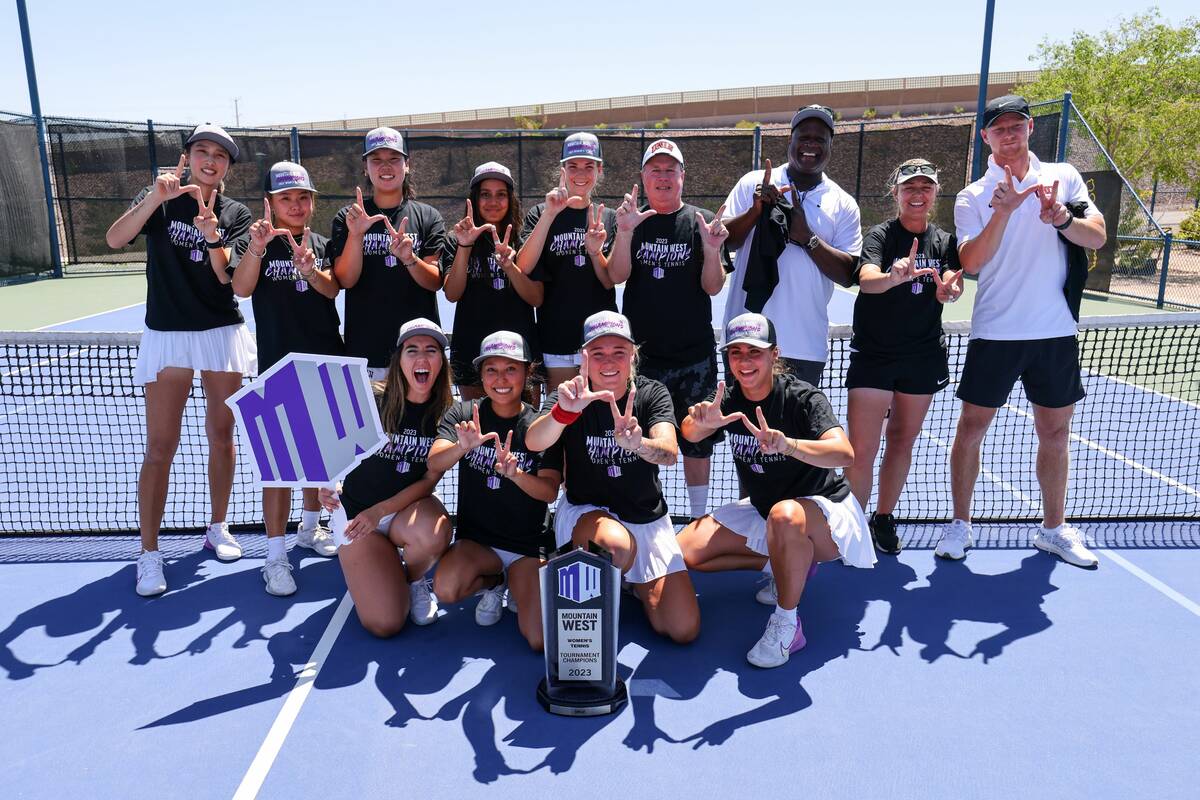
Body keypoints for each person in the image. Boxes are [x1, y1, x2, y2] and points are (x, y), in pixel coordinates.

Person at [941, 95, 1106, 567]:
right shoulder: (973, 195)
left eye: (1017, 126)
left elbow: (1095, 236)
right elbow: (971, 262)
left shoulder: (1064, 177)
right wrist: (1006, 210)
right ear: (985, 137)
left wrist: (1060, 217)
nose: (1009, 134)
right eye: (1000, 128)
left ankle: (1053, 530)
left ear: (1031, 129)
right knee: (971, 428)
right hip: (995, 331)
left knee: (1055, 434)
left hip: (1054, 332)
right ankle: (960, 525)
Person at [105, 124, 254, 597]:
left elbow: (229, 277)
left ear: (228, 166)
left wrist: (212, 236)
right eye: (202, 151)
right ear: (187, 156)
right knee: (161, 445)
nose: (210, 161)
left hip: (220, 333)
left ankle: (217, 526)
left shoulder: (236, 212)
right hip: (168, 335)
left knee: (222, 434)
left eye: (220, 155)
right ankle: (148, 554)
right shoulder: (160, 199)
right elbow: (115, 239)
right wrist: (153, 199)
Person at [677, 313, 875, 668]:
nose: (744, 361)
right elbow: (690, 432)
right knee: (686, 553)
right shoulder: (729, 397)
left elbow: (844, 454)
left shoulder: (802, 398)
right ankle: (785, 564)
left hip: (824, 515)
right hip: (764, 510)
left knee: (785, 514)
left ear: (774, 354)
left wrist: (789, 446)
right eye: (736, 353)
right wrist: (699, 424)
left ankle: (787, 623)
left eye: (754, 352)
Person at [526, 311, 699, 643]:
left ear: (632, 355)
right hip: (587, 514)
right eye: (598, 353)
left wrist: (639, 444)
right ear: (583, 358)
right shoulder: (569, 396)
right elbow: (535, 441)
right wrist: (564, 413)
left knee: (682, 629)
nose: (609, 361)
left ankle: (626, 581)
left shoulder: (652, 393)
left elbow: (670, 451)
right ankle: (592, 577)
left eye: (619, 352)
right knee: (615, 544)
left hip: (645, 517)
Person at [231, 162, 343, 595]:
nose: (295, 205)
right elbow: (241, 289)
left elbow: (334, 289)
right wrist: (258, 248)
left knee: (321, 459)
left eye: (302, 198)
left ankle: (310, 529)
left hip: (325, 363)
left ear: (312, 201)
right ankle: (274, 557)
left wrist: (312, 269)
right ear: (271, 203)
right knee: (278, 470)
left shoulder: (321, 242)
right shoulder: (254, 241)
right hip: (276, 369)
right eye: (285, 199)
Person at [844, 159, 963, 555]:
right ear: (895, 194)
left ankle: (883, 517)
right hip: (874, 355)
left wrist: (949, 291)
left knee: (901, 441)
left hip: (922, 356)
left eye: (925, 187)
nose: (917, 194)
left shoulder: (945, 241)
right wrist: (893, 276)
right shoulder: (879, 236)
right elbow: (866, 281)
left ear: (934, 194)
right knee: (862, 449)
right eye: (909, 187)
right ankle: (854, 524)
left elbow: (949, 282)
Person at [608, 139, 730, 520]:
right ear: (643, 178)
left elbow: (713, 286)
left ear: (682, 176)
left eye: (669, 170)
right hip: (644, 361)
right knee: (641, 439)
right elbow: (616, 275)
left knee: (698, 440)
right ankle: (646, 515)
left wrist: (712, 251)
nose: (663, 177)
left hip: (693, 357)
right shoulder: (631, 221)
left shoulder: (701, 220)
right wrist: (624, 234)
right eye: (654, 170)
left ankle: (696, 519)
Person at [427, 331, 561, 650]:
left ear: (528, 373)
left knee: (540, 640)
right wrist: (462, 447)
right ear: (482, 376)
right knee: (446, 589)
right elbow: (435, 463)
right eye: (491, 370)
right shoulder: (464, 415)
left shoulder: (540, 426)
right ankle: (496, 582)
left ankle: (515, 581)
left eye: (511, 369)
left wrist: (516, 476)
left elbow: (549, 493)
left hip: (527, 547)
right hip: (478, 542)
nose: (501, 378)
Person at [319, 319, 454, 634]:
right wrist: (326, 486)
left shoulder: (448, 413)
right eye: (412, 350)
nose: (422, 358)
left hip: (404, 512)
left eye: (431, 350)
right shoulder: (370, 400)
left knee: (435, 531)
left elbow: (429, 482)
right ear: (399, 360)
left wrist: (380, 511)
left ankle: (415, 579)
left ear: (441, 362)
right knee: (386, 623)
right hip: (356, 517)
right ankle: (376, 566)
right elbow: (329, 449)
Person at [720, 105, 862, 385]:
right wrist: (755, 212)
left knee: (796, 431)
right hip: (745, 340)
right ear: (791, 141)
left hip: (804, 346)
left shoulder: (844, 203)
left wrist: (807, 238)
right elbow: (722, 240)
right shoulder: (753, 183)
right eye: (804, 137)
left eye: (819, 139)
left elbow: (848, 274)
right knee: (740, 429)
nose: (810, 145)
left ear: (831, 145)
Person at [328, 127, 447, 379]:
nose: (385, 167)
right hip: (366, 349)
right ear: (365, 167)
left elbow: (435, 281)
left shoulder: (428, 217)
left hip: (417, 351)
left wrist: (409, 259)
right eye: (376, 160)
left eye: (394, 159)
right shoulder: (348, 217)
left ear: (407, 165)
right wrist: (356, 234)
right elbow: (346, 280)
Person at [515, 132, 617, 388]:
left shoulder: (609, 217)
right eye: (573, 166)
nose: (580, 173)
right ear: (562, 169)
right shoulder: (541, 212)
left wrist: (595, 251)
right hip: (555, 335)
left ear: (599, 169)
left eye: (588, 166)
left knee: (599, 415)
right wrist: (550, 214)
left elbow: (609, 279)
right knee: (562, 416)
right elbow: (523, 266)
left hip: (600, 337)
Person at [442, 162, 541, 400]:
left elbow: (536, 297)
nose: (493, 202)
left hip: (520, 353)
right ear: (474, 199)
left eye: (501, 195)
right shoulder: (456, 239)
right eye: (485, 195)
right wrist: (465, 245)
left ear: (511, 199)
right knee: (478, 429)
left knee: (524, 430)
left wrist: (510, 266)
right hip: (472, 351)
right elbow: (452, 293)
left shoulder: (525, 239)